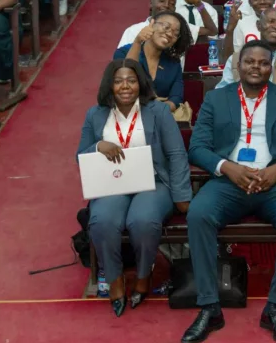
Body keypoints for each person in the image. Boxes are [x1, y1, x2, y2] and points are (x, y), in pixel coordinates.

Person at [181, 40, 276, 343]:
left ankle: (275, 307)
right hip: (229, 182)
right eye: (250, 62)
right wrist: (227, 167)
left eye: (263, 63)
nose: (256, 67)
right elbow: (197, 147)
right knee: (199, 214)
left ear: (271, 67)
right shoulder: (217, 99)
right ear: (237, 66)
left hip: (275, 183)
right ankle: (209, 306)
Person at [77, 59, 191, 317]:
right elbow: (79, 156)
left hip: (153, 182)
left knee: (143, 221)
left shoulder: (157, 111)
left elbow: (176, 154)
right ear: (110, 85)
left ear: (140, 83)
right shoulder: (95, 114)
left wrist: (183, 195)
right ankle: (116, 280)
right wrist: (98, 147)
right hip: (112, 184)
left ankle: (143, 276)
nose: (125, 86)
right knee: (102, 220)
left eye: (131, 80)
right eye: (118, 81)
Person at [113, 11, 193, 112]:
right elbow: (127, 81)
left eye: (175, 33)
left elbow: (176, 98)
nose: (169, 34)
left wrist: (158, 109)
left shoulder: (173, 63)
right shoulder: (123, 53)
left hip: (159, 118)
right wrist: (138, 41)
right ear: (152, 23)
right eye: (166, 27)